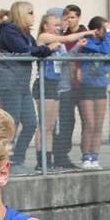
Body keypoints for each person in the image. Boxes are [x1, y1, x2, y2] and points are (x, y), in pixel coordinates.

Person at [0, 1, 51, 175]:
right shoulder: (9, 30)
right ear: (20, 14)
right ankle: (3, 161)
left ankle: (17, 159)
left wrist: (42, 49)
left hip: (22, 85)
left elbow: (35, 48)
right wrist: (43, 49)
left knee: (31, 123)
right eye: (30, 12)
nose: (33, 16)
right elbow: (25, 50)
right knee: (12, 124)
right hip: (10, 84)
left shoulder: (26, 33)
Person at [33, 9, 87, 171]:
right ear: (46, 26)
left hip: (55, 84)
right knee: (44, 125)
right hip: (44, 83)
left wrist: (77, 46)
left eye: (59, 25)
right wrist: (88, 32)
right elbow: (64, 39)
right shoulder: (44, 37)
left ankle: (48, 160)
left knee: (50, 126)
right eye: (55, 25)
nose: (59, 27)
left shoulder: (59, 43)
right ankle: (41, 161)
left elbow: (64, 59)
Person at [53, 4, 86, 170]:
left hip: (76, 84)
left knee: (73, 120)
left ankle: (85, 156)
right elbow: (64, 56)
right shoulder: (57, 36)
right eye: (65, 19)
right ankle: (58, 155)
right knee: (62, 121)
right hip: (62, 85)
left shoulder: (82, 33)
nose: (68, 22)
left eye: (71, 18)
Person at [76, 16, 110, 170]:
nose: (107, 32)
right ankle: (85, 157)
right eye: (105, 29)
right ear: (97, 30)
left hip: (100, 86)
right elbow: (104, 50)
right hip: (87, 86)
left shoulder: (105, 42)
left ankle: (95, 157)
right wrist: (108, 33)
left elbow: (107, 55)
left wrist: (101, 72)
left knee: (98, 124)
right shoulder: (87, 42)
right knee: (89, 124)